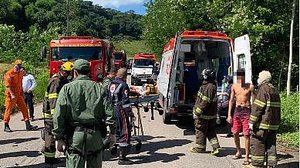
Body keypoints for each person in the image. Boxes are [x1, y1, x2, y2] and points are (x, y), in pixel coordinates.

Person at [52, 59, 116, 168]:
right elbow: (110, 112)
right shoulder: (99, 88)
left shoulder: (67, 89)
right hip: (95, 135)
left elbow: (59, 115)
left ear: (75, 72)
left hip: (74, 136)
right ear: (89, 71)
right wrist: (113, 133)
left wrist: (58, 137)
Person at [41, 61, 74, 164]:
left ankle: (49, 155)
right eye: (67, 72)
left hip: (55, 114)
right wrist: (56, 116)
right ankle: (49, 159)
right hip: (51, 115)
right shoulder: (56, 81)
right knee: (50, 135)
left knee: (52, 135)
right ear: (62, 71)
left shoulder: (63, 80)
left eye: (70, 73)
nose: (69, 75)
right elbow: (53, 100)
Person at [250, 71, 281, 168]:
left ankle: (257, 165)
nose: (257, 79)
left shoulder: (263, 89)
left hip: (263, 124)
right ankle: (271, 165)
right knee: (271, 144)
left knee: (257, 141)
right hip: (273, 124)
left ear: (263, 79)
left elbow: (258, 107)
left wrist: (251, 121)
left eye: (259, 77)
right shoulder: (274, 90)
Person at [189, 68, 221, 156]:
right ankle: (216, 147)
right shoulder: (212, 86)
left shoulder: (208, 87)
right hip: (211, 115)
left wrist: (197, 112)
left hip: (204, 115)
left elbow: (204, 102)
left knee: (200, 130)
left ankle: (200, 148)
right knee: (210, 131)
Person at [227, 69, 254, 165]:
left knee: (246, 134)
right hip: (237, 111)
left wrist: (253, 115)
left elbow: (254, 101)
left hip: (246, 111)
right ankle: (238, 151)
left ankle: (247, 156)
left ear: (244, 76)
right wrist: (229, 115)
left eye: (242, 76)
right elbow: (231, 100)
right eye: (238, 76)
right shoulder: (234, 86)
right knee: (235, 132)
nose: (240, 78)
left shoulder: (250, 86)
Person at [108, 68, 135, 165]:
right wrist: (130, 113)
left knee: (117, 130)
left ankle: (115, 148)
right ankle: (122, 158)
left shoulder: (111, 84)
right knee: (125, 131)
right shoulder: (123, 85)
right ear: (124, 76)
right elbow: (126, 102)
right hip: (120, 110)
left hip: (111, 109)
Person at [3, 60, 37, 132]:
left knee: (24, 109)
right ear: (15, 65)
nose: (19, 66)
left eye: (20, 65)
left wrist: (22, 93)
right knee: (8, 110)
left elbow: (20, 84)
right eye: (18, 65)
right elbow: (7, 86)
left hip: (18, 95)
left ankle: (28, 125)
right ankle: (6, 125)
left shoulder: (20, 73)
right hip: (11, 95)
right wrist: (12, 95)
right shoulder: (9, 73)